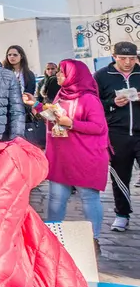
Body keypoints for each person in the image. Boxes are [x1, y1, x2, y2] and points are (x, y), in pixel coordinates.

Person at [33, 59, 109, 243]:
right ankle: (52, 236)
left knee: (88, 196)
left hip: (84, 156)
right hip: (61, 156)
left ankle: (94, 238)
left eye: (62, 72)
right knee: (56, 197)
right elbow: (55, 118)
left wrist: (72, 124)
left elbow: (98, 127)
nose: (58, 74)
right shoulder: (61, 95)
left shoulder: (88, 98)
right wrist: (35, 106)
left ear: (74, 76)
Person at [96, 41, 140, 231]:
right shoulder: (101, 76)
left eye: (132, 58)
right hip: (117, 134)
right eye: (123, 58)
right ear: (114, 57)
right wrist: (112, 103)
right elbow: (94, 104)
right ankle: (122, 215)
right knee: (120, 176)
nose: (128, 62)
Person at [3, 45, 45, 149]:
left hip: (24, 111)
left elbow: (29, 94)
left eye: (15, 55)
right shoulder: (3, 73)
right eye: (9, 55)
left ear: (21, 56)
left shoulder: (28, 74)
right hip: (7, 111)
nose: (12, 57)